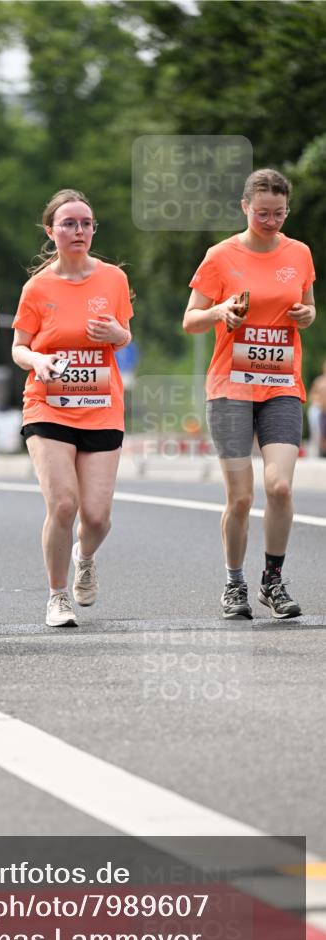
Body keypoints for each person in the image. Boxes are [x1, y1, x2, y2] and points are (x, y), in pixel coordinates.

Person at [183, 168, 316, 620]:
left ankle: (272, 581)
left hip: (281, 384)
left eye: (279, 213)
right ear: (245, 207)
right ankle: (234, 581)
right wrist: (220, 310)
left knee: (279, 487)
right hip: (231, 388)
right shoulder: (220, 256)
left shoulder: (299, 253)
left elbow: (308, 306)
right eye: (262, 213)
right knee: (240, 498)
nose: (270, 221)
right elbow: (191, 320)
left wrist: (306, 314)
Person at [11, 189, 133, 628]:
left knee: (96, 517)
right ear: (51, 231)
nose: (78, 230)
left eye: (86, 223)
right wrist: (38, 361)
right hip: (48, 405)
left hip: (101, 406)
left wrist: (118, 334)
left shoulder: (113, 280)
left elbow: (125, 337)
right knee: (64, 504)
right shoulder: (37, 287)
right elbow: (18, 348)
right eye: (68, 223)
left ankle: (85, 556)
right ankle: (57, 596)